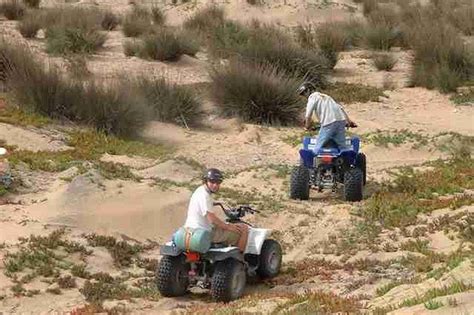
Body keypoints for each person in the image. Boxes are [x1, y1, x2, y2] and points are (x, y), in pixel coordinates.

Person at [184, 168, 248, 252]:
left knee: (223, 226)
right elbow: (212, 219)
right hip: (204, 231)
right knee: (243, 229)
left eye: (218, 182)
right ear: (205, 181)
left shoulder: (199, 191)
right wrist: (228, 226)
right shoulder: (205, 196)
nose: (215, 185)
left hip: (190, 229)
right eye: (212, 181)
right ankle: (239, 260)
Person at [298, 82, 357, 153]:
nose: (304, 95)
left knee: (318, 146)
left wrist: (307, 126)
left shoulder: (313, 97)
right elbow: (340, 108)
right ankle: (346, 161)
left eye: (304, 93)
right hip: (340, 121)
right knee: (342, 146)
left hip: (329, 122)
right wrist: (349, 122)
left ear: (309, 90)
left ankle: (314, 160)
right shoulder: (326, 96)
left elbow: (308, 114)